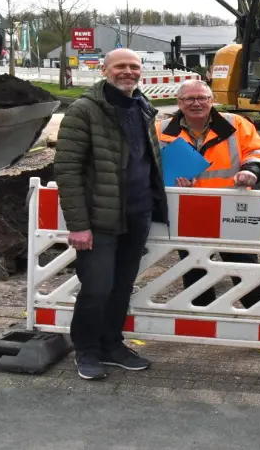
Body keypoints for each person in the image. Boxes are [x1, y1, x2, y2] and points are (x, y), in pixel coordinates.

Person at [54, 48, 166, 381]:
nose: (128, 71)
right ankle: (86, 350)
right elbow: (67, 169)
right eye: (120, 66)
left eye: (134, 66)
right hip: (99, 219)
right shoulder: (84, 111)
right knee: (97, 287)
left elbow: (146, 160)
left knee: (121, 287)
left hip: (137, 213)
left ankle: (112, 345)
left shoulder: (144, 107)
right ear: (104, 70)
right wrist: (78, 225)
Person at [156, 80, 260, 305]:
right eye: (189, 99)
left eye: (202, 98)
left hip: (231, 210)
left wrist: (252, 170)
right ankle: (200, 319)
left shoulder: (236, 124)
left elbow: (259, 151)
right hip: (189, 212)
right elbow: (150, 165)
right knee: (195, 270)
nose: (196, 103)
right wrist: (169, 182)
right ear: (179, 103)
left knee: (245, 268)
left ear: (212, 101)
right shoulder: (160, 130)